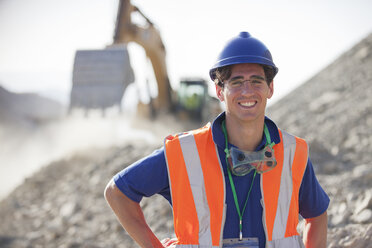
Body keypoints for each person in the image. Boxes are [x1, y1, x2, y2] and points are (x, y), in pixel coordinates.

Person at [104, 31, 329, 248]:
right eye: (237, 82)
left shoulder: (291, 152)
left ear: (270, 88)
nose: (247, 91)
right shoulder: (185, 153)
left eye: (256, 81)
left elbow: (317, 215)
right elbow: (117, 192)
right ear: (220, 91)